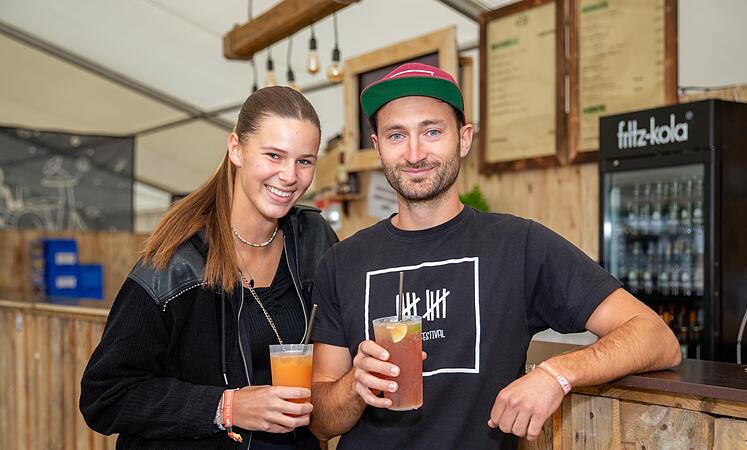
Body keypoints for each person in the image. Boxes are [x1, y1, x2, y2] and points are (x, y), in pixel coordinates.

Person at [308, 63, 681, 449]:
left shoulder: (519, 244)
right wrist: (354, 385)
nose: (415, 153)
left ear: (464, 138)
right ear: (377, 146)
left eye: (432, 131)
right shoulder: (342, 261)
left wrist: (558, 374)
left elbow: (656, 337)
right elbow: (320, 423)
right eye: (396, 135)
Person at [80, 86, 339, 450]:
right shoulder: (175, 263)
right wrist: (226, 406)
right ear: (236, 149)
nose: (289, 175)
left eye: (304, 161)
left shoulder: (313, 239)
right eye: (274, 155)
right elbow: (105, 396)